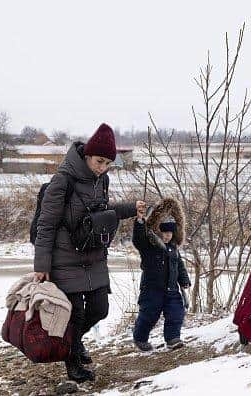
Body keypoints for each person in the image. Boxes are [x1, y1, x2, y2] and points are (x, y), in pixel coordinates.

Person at [33, 123, 139, 382]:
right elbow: (46, 224)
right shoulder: (63, 180)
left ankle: (75, 342)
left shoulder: (102, 180)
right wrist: (41, 264)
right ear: (87, 155)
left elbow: (101, 212)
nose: (102, 167)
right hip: (65, 258)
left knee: (99, 308)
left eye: (107, 163)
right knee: (74, 314)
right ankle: (73, 365)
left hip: (92, 257)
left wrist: (130, 208)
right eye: (99, 161)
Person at [132, 198, 191, 351]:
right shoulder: (149, 246)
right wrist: (139, 223)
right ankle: (140, 337)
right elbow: (138, 239)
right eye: (163, 232)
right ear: (158, 231)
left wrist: (184, 280)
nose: (166, 236)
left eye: (170, 233)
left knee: (176, 313)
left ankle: (173, 338)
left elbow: (179, 265)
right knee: (149, 316)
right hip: (151, 290)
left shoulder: (173, 249)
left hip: (171, 289)